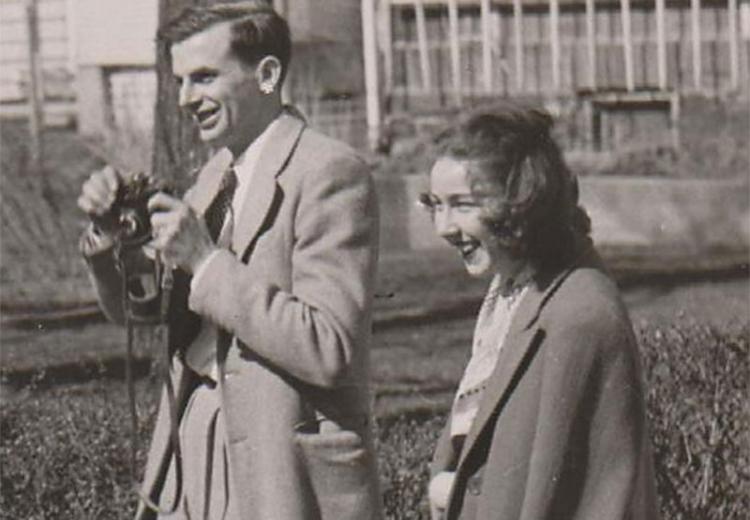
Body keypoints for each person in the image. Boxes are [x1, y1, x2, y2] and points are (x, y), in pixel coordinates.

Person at [76, 3, 382, 519]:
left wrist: (207, 261)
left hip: (277, 465)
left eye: (204, 78)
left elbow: (330, 347)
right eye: (179, 81)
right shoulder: (214, 175)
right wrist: (111, 238)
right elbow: (152, 310)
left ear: (266, 75)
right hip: (190, 446)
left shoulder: (329, 172)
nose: (185, 99)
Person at [422, 105, 660, 520]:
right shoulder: (513, 293)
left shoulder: (579, 313)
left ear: (520, 203)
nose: (443, 226)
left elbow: (590, 496)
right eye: (434, 204)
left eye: (462, 205)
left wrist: (460, 495)